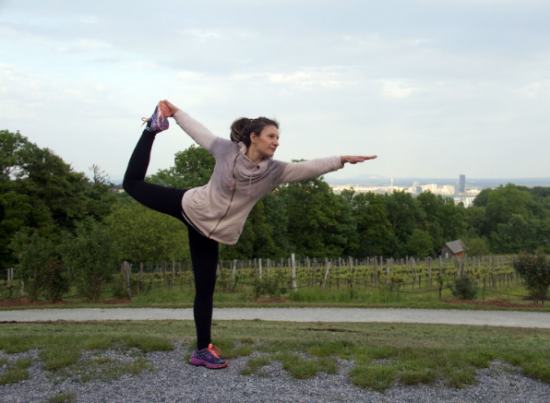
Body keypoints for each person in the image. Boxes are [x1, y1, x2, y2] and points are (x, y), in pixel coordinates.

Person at [123, 100, 377, 369]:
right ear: (253, 137)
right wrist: (175, 113)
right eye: (271, 136)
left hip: (209, 233)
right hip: (190, 206)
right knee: (131, 184)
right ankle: (151, 129)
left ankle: (201, 350)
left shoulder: (274, 172)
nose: (276, 142)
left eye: (277, 137)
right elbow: (199, 132)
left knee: (205, 289)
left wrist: (340, 160)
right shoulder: (226, 150)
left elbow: (308, 167)